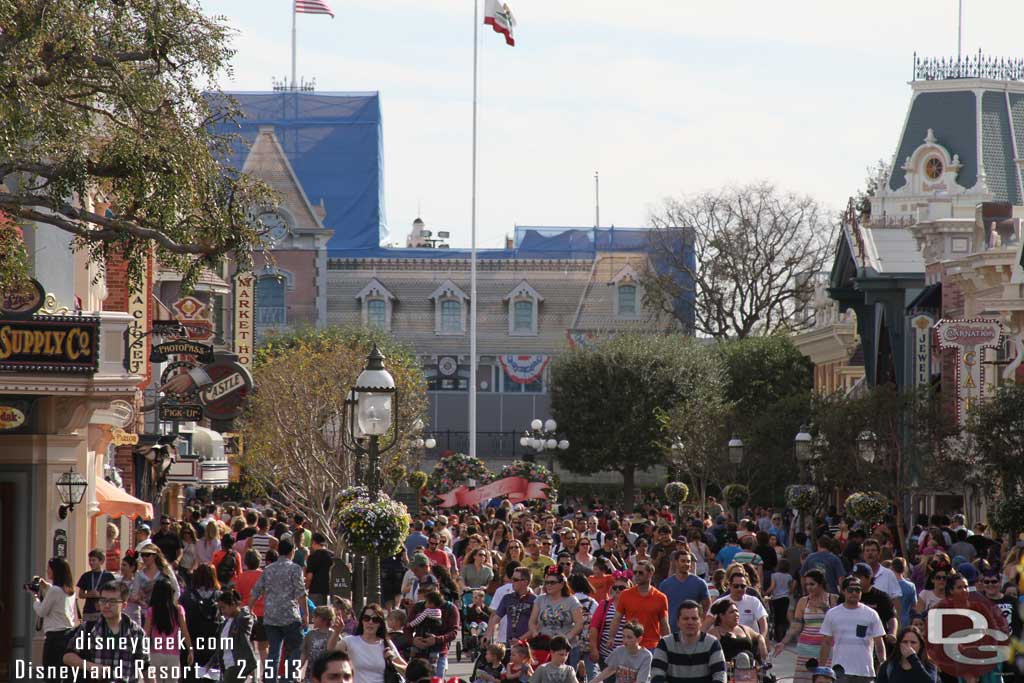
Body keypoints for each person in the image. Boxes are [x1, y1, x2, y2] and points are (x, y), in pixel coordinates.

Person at [64, 581, 150, 682]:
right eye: (103, 600)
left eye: (113, 601)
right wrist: (90, 666)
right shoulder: (88, 628)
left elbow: (145, 668)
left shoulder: (136, 632)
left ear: (124, 605)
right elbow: (67, 656)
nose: (107, 605)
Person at [250, 538, 309, 683]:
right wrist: (306, 614)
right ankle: (288, 677)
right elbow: (301, 594)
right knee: (298, 646)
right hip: (289, 615)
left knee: (273, 653)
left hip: (271, 616)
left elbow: (256, 591)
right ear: (292, 551)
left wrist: (249, 608)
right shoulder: (295, 569)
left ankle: (270, 679)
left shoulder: (268, 569)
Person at [819, 576, 886, 683]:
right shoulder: (832, 614)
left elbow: (879, 641)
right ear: (843, 591)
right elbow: (826, 642)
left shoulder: (871, 614)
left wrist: (883, 663)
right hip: (840, 671)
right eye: (851, 590)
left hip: (865, 671)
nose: (854, 593)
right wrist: (821, 668)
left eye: (858, 590)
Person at [774, 569, 836, 683]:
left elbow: (837, 622)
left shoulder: (832, 599)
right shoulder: (804, 601)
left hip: (826, 648)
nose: (808, 587)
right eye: (807, 584)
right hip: (806, 648)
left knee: (824, 679)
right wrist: (783, 642)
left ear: (821, 584)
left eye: (812, 584)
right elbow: (796, 625)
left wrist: (824, 608)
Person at [651, 600, 727, 683]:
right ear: (678, 622)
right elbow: (656, 676)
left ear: (701, 621)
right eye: (685, 619)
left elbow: (720, 676)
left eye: (694, 619)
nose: (690, 622)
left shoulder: (712, 643)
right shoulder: (665, 643)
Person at [331, 603, 407, 683]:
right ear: (362, 621)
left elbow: (407, 670)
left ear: (380, 624)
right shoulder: (350, 641)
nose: (370, 622)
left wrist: (393, 662)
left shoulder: (386, 644)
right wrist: (336, 632)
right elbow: (331, 653)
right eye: (366, 618)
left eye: (375, 620)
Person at [29, 557, 77, 675]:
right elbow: (55, 594)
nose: (47, 571)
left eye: (49, 569)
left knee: (50, 672)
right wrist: (44, 584)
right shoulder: (69, 590)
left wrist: (34, 596)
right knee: (63, 672)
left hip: (54, 637)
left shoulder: (55, 590)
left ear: (55, 571)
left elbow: (42, 611)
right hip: (68, 634)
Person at [607, 561, 670, 651]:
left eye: (640, 573)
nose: (637, 575)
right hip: (630, 645)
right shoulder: (625, 594)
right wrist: (611, 637)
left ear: (650, 573)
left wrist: (668, 646)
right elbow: (617, 618)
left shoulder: (660, 597)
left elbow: (664, 625)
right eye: (635, 572)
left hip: (652, 646)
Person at [526, 567, 586, 661]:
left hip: (565, 649)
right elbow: (532, 621)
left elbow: (579, 623)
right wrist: (535, 633)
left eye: (552, 582)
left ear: (561, 584)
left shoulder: (571, 600)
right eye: (547, 582)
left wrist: (567, 638)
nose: (548, 585)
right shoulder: (540, 599)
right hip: (544, 646)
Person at [144, 578, 193, 683]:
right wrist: (190, 650)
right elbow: (185, 632)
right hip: (173, 655)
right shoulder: (178, 610)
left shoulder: (152, 611)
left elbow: (146, 634)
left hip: (155, 654)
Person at [405, 588, 460, 677]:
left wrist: (436, 640)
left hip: (439, 652)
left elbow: (453, 632)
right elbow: (407, 627)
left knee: (437, 679)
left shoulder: (451, 608)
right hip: (418, 652)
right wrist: (413, 640)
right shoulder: (418, 607)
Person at [183, 563, 222, 678]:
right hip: (213, 643)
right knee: (212, 676)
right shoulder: (220, 597)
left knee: (191, 676)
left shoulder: (187, 596)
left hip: (192, 641)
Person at [658, 552, 710, 634]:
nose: (686, 564)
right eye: (683, 561)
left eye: (688, 561)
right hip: (671, 631)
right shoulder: (665, 584)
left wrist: (701, 624)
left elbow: (706, 606)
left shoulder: (700, 583)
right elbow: (660, 609)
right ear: (676, 562)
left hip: (692, 630)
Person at [707, 568, 767, 637]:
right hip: (726, 640)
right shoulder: (720, 602)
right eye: (736, 586)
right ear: (729, 586)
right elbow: (707, 623)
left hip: (749, 641)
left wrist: (762, 638)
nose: (739, 589)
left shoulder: (754, 601)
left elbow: (763, 622)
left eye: (743, 586)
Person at [705, 600, 767, 664]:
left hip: (750, 668)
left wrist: (761, 642)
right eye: (732, 612)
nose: (736, 614)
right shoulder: (715, 632)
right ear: (721, 615)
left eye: (737, 611)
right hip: (729, 669)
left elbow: (759, 636)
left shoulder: (745, 629)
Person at [216, 589, 258, 683]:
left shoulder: (241, 620)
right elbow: (222, 648)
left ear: (233, 605)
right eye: (220, 609)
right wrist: (211, 663)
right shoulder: (226, 623)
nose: (222, 612)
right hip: (227, 665)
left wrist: (241, 608)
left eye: (224, 608)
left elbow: (246, 615)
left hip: (236, 665)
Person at [590, 574, 631, 668]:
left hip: (627, 655)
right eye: (615, 587)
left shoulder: (633, 606)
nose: (617, 590)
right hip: (606, 655)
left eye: (621, 588)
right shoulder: (604, 604)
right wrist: (594, 649)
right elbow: (594, 627)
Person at [77, 549, 116, 623]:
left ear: (101, 561)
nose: (91, 563)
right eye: (90, 560)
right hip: (88, 611)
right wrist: (89, 595)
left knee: (102, 633)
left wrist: (100, 595)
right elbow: (80, 594)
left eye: (94, 560)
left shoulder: (108, 576)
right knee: (88, 632)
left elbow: (113, 594)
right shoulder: (86, 576)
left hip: (104, 610)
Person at [301, 606, 336, 683]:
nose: (313, 619)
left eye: (315, 617)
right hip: (311, 675)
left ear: (324, 619)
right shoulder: (310, 634)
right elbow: (304, 653)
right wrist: (298, 668)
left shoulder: (334, 635)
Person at [766, 559, 794, 642]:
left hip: (776, 598)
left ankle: (777, 636)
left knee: (777, 618)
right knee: (783, 617)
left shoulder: (774, 575)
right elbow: (791, 588)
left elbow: (772, 587)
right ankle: (783, 634)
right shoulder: (789, 576)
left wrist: (765, 592)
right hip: (785, 598)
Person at [305, 533, 333, 607]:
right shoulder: (330, 556)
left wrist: (306, 587)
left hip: (315, 589)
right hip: (326, 589)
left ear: (314, 542)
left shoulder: (312, 557)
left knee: (314, 613)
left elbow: (309, 576)